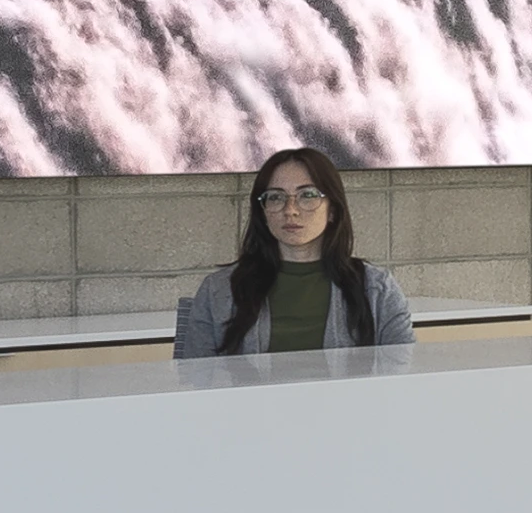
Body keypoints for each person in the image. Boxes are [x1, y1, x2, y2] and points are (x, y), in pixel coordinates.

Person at [176, 144, 415, 356]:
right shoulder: (218, 290)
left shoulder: (377, 290)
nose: (290, 209)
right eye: (276, 197)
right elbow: (194, 385)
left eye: (307, 195)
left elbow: (404, 377)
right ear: (263, 212)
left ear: (332, 209)